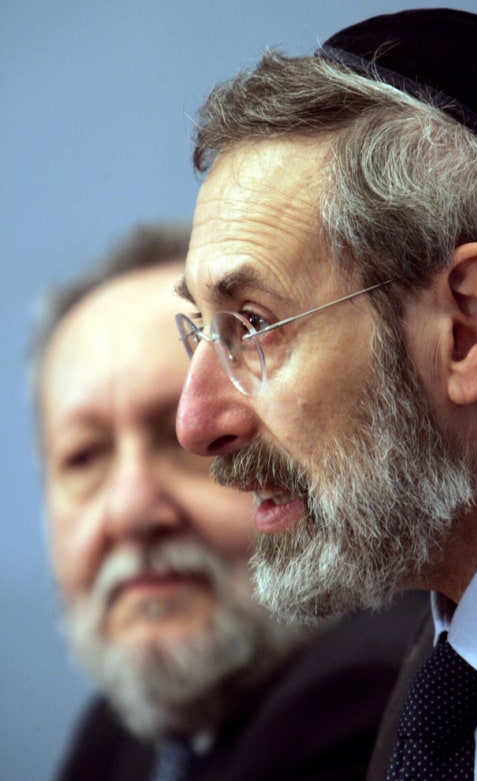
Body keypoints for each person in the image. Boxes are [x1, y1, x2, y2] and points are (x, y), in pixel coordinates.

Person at [174, 7, 477, 781]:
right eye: (200, 331)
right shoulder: (441, 679)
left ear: (467, 327)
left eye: (254, 325)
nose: (196, 421)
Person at [32, 222, 425, 781]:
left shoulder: (367, 699)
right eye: (84, 458)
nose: (130, 512)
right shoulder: (117, 740)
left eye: (181, 438)